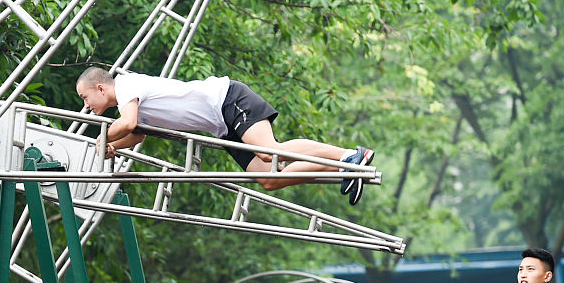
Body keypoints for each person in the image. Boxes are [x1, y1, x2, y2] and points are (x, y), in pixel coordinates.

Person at [75, 66, 375, 204]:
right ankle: (344, 166)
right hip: (223, 125)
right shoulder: (129, 106)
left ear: (101, 88)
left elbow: (126, 125)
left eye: (86, 98)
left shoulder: (127, 86)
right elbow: (136, 135)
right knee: (270, 178)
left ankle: (349, 155)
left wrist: (104, 139)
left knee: (271, 153)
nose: (86, 106)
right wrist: (114, 148)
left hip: (228, 100)